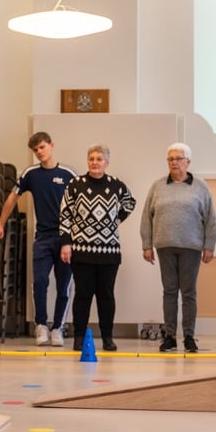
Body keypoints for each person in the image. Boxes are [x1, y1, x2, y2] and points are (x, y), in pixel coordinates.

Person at [0, 132, 76, 347]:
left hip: (65, 238)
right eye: (36, 150)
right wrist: (0, 223)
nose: (39, 152)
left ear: (51, 145)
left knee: (64, 285)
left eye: (42, 147)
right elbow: (12, 198)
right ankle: (41, 325)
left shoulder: (68, 174)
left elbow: (81, 204)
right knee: (39, 282)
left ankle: (58, 327)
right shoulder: (31, 174)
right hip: (43, 238)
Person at [140, 142, 216, 353]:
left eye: (178, 158)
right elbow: (147, 216)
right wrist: (146, 244)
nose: (174, 162)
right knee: (169, 292)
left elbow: (211, 218)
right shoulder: (157, 186)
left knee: (189, 292)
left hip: (191, 247)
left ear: (188, 162)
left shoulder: (200, 186)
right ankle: (170, 337)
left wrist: (209, 245)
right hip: (165, 246)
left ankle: (189, 337)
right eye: (171, 159)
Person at [60, 144, 136, 352]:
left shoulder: (116, 185)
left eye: (99, 159)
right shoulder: (75, 184)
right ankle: (79, 337)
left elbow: (130, 202)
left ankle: (107, 338)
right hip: (81, 251)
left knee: (106, 296)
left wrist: (118, 219)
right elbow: (65, 214)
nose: (95, 162)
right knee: (83, 295)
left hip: (109, 252)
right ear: (88, 161)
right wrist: (66, 243)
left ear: (106, 163)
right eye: (92, 158)